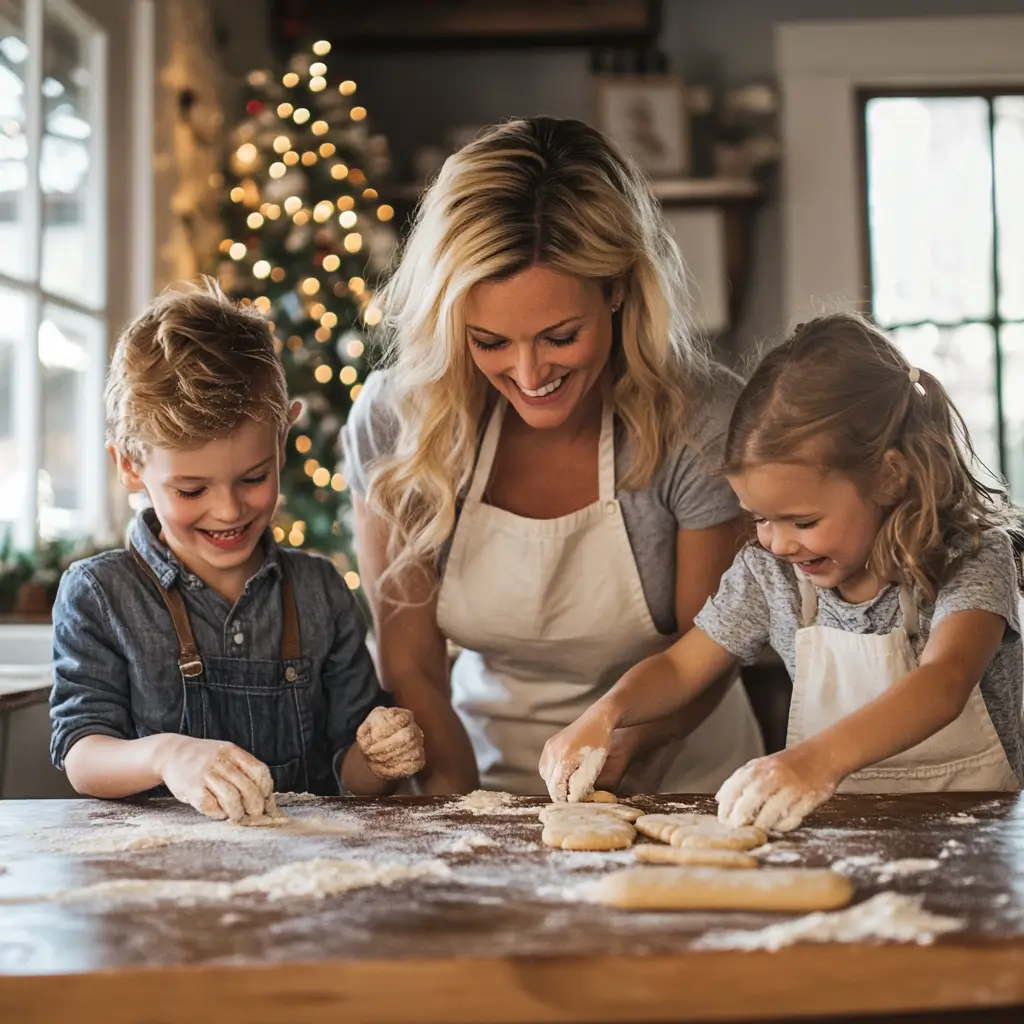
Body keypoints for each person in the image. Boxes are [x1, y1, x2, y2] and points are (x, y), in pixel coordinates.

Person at [343, 116, 763, 796]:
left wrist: (616, 762)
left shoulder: (700, 424)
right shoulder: (399, 423)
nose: (529, 372)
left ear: (619, 288)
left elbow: (706, 652)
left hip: (687, 782)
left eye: (559, 336)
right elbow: (412, 665)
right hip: (480, 767)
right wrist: (457, 813)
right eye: (490, 341)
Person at [542, 313, 1023, 828]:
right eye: (761, 518)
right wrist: (606, 713)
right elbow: (682, 667)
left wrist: (818, 760)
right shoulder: (768, 576)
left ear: (890, 476)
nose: (778, 541)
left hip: (977, 837)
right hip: (839, 831)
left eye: (804, 520)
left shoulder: (969, 560)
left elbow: (944, 682)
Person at [50, 280, 425, 822]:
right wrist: (167, 753)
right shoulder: (99, 595)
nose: (228, 511)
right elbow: (83, 753)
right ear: (130, 466)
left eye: (253, 477)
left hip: (307, 874)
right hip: (153, 878)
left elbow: (354, 780)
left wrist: (378, 757)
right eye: (191, 490)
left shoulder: (318, 591)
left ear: (281, 440)